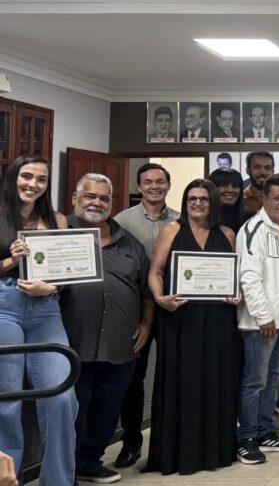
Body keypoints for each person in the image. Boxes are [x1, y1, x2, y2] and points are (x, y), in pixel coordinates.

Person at [142, 180, 243, 475]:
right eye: (192, 199)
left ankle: (216, 450)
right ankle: (178, 453)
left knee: (217, 381)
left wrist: (238, 293)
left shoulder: (227, 234)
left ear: (213, 203)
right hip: (179, 319)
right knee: (181, 382)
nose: (197, 204)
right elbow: (155, 272)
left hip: (219, 322)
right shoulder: (171, 231)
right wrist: (160, 299)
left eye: (203, 199)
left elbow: (235, 275)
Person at [61, 173, 153, 484]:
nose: (96, 203)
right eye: (90, 196)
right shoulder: (58, 234)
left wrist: (145, 324)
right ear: (76, 197)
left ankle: (90, 462)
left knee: (107, 409)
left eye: (103, 198)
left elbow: (145, 292)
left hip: (119, 345)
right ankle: (66, 468)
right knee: (73, 410)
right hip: (73, 344)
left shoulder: (129, 242)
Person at [0, 155, 76, 486]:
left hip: (47, 309)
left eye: (41, 179)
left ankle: (58, 481)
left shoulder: (56, 219)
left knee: (62, 395)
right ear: (14, 176)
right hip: (5, 306)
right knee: (7, 400)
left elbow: (70, 268)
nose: (33, 184)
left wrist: (53, 284)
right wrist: (9, 260)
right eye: (26, 176)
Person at [111, 163, 179, 469]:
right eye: (148, 182)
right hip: (136, 310)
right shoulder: (121, 222)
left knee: (173, 374)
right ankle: (131, 443)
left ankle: (171, 438)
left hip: (174, 308)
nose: (154, 186)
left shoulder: (181, 220)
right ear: (140, 187)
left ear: (168, 185)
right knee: (133, 379)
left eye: (160, 181)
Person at [234, 174, 279, 464]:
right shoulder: (254, 229)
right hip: (262, 324)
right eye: (277, 197)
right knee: (254, 381)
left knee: (272, 379)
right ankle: (247, 437)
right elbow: (249, 276)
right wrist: (264, 316)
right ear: (264, 198)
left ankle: (265, 431)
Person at [210, 168, 246, 233]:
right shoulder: (203, 218)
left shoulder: (249, 219)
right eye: (224, 185)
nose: (230, 190)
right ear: (212, 188)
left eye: (235, 186)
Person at [243, 150, 275, 219]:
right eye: (257, 167)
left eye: (267, 168)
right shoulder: (239, 199)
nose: (263, 172)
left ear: (273, 172)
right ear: (247, 171)